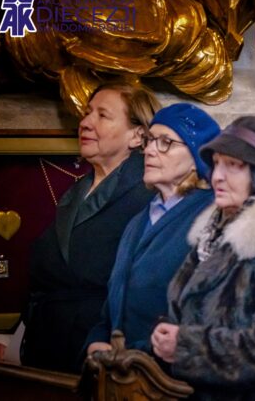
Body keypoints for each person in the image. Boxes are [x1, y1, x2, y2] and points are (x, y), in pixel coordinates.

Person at [150, 116, 255, 400]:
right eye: (216, 163)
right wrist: (164, 336)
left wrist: (187, 346)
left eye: (233, 165)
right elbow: (188, 310)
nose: (217, 176)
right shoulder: (212, 234)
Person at [18, 82, 160, 373]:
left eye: (102, 115)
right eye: (87, 113)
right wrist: (17, 332)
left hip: (102, 354)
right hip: (48, 348)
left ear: (137, 135)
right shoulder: (77, 191)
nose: (85, 122)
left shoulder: (149, 194)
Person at [85, 103, 220, 356]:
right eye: (149, 140)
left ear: (197, 158)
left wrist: (144, 352)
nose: (148, 150)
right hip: (121, 371)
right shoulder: (137, 221)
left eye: (165, 142)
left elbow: (216, 309)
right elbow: (112, 306)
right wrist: (97, 341)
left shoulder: (213, 217)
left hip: (171, 372)